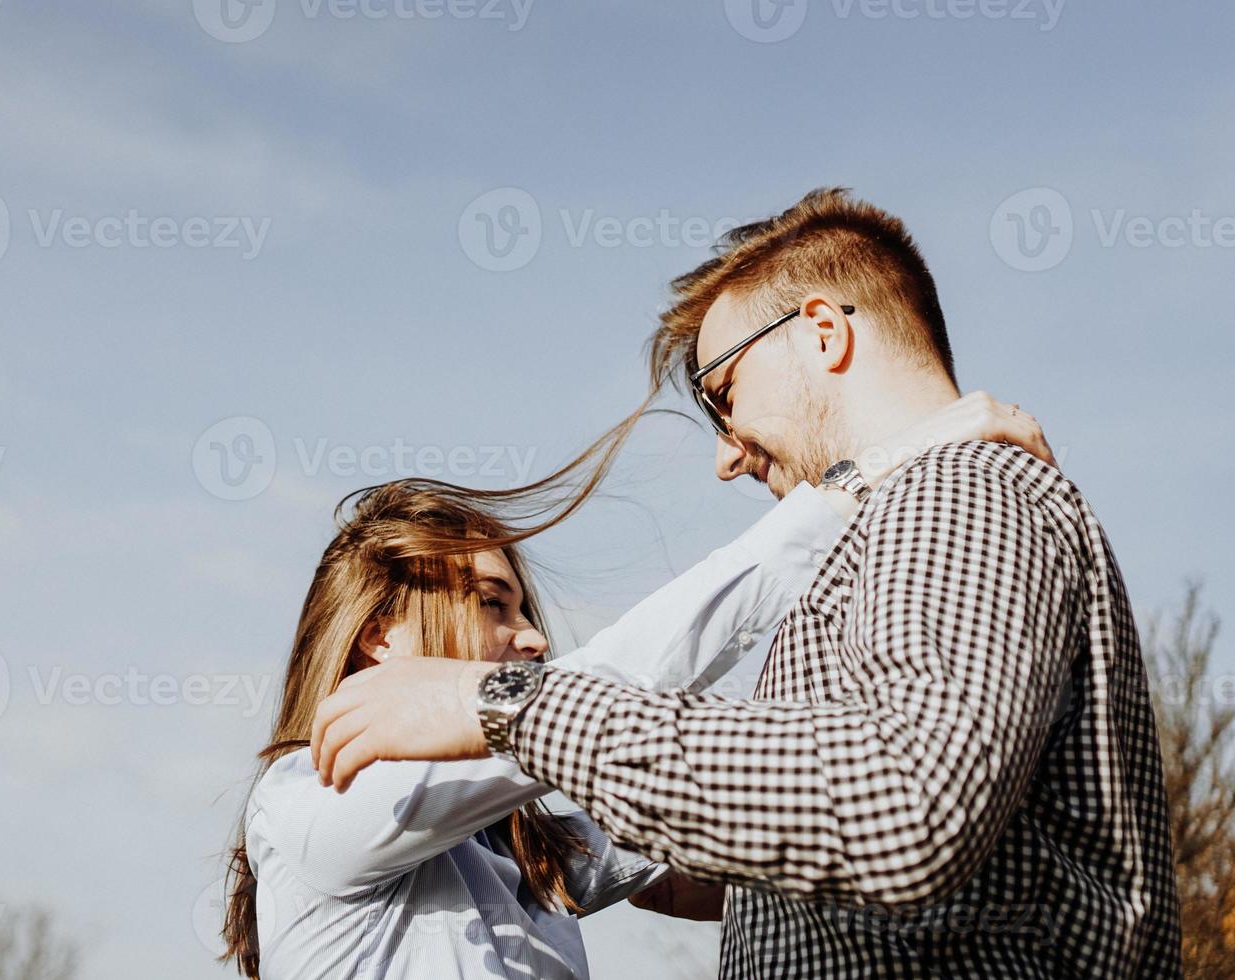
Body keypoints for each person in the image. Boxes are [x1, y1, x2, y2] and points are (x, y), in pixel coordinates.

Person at [309, 188, 1184, 977]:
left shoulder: (956, 490)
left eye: (723, 395)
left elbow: (905, 804)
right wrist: (757, 887)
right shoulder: (901, 519)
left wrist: (505, 704)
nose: (726, 455)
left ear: (824, 332)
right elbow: (892, 813)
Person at [222, 393, 1052, 979]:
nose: (535, 637)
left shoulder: (515, 837)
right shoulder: (306, 805)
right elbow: (607, 688)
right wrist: (861, 482)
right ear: (379, 634)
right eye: (491, 602)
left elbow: (722, 837)